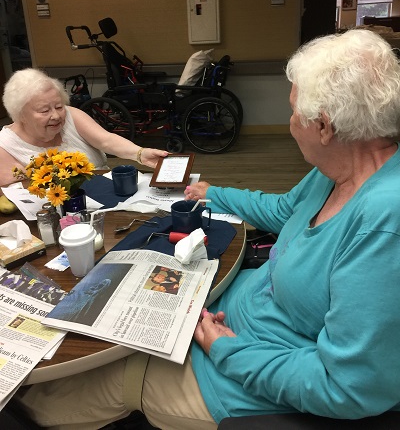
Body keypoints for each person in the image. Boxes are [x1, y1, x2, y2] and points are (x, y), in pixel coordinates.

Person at [15, 29, 400, 429]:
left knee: (77, 391)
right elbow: (286, 210)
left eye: (292, 112)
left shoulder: (383, 225)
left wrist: (225, 349)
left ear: (324, 127)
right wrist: (215, 193)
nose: (289, 123)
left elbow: (348, 387)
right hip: (231, 314)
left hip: (243, 374)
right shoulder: (337, 173)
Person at [0, 68, 168, 186]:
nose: (57, 116)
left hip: (108, 196)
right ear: (20, 115)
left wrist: (140, 153)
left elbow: (106, 140)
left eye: (59, 106)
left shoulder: (71, 115)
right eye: (45, 110)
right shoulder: (5, 146)